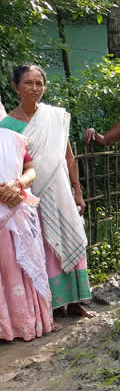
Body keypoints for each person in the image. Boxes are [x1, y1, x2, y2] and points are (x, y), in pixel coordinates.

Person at [0, 64, 92, 319]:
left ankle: (75, 302)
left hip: (61, 189)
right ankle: (51, 305)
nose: (35, 88)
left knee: (71, 235)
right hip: (31, 197)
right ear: (16, 87)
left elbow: (69, 157)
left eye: (39, 83)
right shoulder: (6, 125)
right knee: (43, 248)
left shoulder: (54, 117)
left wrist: (77, 190)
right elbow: (10, 164)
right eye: (28, 83)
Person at [0, 128, 54, 341]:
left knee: (22, 267)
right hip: (8, 207)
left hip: (18, 208)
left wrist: (17, 185)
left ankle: (27, 325)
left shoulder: (13, 138)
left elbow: (30, 170)